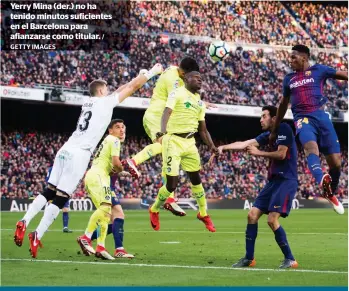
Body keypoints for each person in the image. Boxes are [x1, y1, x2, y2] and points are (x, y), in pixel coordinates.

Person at [13, 63, 163, 258]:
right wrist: (151, 73)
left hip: (65, 149)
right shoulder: (105, 103)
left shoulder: (88, 103)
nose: (110, 91)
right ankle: (37, 235)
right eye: (107, 89)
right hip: (80, 154)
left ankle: (24, 220)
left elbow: (120, 89)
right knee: (61, 198)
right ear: (101, 90)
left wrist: (137, 76)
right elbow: (131, 89)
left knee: (49, 190)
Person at [122, 57, 215, 217]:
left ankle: (170, 199)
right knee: (164, 144)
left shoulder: (173, 69)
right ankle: (133, 161)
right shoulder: (175, 80)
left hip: (157, 115)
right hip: (156, 115)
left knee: (167, 152)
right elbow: (183, 95)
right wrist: (201, 102)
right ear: (184, 74)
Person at [217, 106, 298, 269]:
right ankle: (249, 258)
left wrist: (257, 153)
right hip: (273, 181)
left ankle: (290, 259)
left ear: (274, 118)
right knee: (252, 215)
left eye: (264, 116)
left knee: (271, 219)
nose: (261, 119)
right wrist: (223, 147)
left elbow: (281, 154)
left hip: (286, 180)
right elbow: (245, 144)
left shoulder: (284, 128)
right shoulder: (268, 135)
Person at [270, 44, 347, 214]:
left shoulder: (319, 70)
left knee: (336, 163)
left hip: (322, 117)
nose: (290, 60)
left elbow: (343, 75)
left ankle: (330, 192)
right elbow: (283, 104)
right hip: (303, 119)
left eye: (293, 57)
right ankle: (321, 180)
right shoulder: (289, 79)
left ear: (304, 57)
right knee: (310, 148)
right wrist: (275, 128)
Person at [149, 71, 219, 232]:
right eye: (196, 78)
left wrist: (212, 146)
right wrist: (162, 131)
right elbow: (167, 112)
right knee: (172, 183)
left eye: (202, 79)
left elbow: (203, 129)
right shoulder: (177, 93)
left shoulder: (200, 102)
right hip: (173, 140)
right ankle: (154, 209)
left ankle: (203, 213)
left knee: (196, 179)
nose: (200, 80)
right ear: (186, 79)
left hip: (190, 143)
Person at [77, 119, 134, 260]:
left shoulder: (108, 141)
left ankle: (100, 247)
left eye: (123, 127)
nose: (121, 130)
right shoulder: (114, 141)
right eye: (117, 127)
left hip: (96, 176)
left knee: (107, 214)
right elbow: (116, 163)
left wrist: (122, 171)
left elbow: (111, 167)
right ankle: (86, 237)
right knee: (106, 208)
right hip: (98, 177)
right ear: (110, 130)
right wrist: (126, 168)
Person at [46, 167, 72, 233]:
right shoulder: (52, 169)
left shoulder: (65, 169)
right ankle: (45, 226)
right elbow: (48, 180)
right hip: (54, 191)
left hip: (63, 191)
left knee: (65, 209)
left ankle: (65, 227)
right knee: (51, 210)